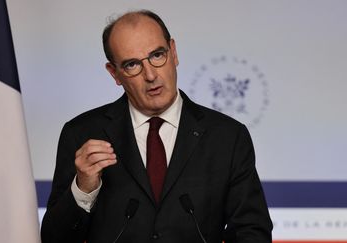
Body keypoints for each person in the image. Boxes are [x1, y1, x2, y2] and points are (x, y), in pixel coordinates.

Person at [41, 10, 272, 243]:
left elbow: (252, 232)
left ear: (173, 52)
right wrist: (83, 189)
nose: (150, 75)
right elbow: (54, 239)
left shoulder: (227, 137)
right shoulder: (81, 134)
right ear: (115, 73)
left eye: (157, 55)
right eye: (132, 65)